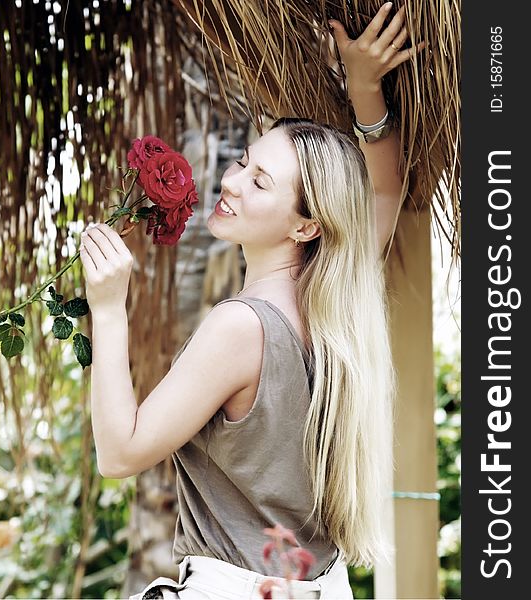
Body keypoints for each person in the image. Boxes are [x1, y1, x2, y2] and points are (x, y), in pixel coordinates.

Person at [79, 4, 426, 599]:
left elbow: (120, 452)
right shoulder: (337, 311)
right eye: (243, 162)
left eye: (260, 181)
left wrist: (109, 310)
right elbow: (385, 183)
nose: (231, 182)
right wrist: (366, 87)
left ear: (305, 226)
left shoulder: (242, 328)